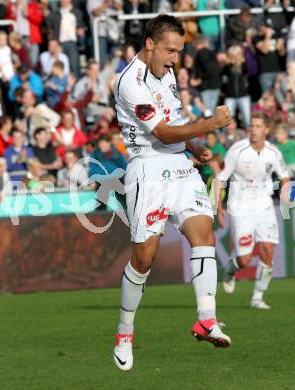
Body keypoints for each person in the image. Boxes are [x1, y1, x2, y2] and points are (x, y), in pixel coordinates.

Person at [113, 14, 233, 371]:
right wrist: (210, 124)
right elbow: (162, 133)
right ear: (150, 43)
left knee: (203, 232)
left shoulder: (166, 75)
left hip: (180, 165)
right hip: (147, 169)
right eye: (170, 50)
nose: (175, 59)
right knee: (144, 259)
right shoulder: (129, 83)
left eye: (179, 51)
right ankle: (124, 331)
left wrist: (195, 147)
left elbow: (175, 125)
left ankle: (206, 318)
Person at [216, 112, 290, 309]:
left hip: (264, 205)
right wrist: (218, 207)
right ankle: (232, 267)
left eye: (258, 126)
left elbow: (284, 175)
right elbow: (221, 178)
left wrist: (285, 193)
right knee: (245, 259)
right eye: (252, 126)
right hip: (240, 207)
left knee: (267, 251)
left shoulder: (273, 152)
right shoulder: (237, 151)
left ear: (266, 130)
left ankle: (257, 297)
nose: (254, 130)